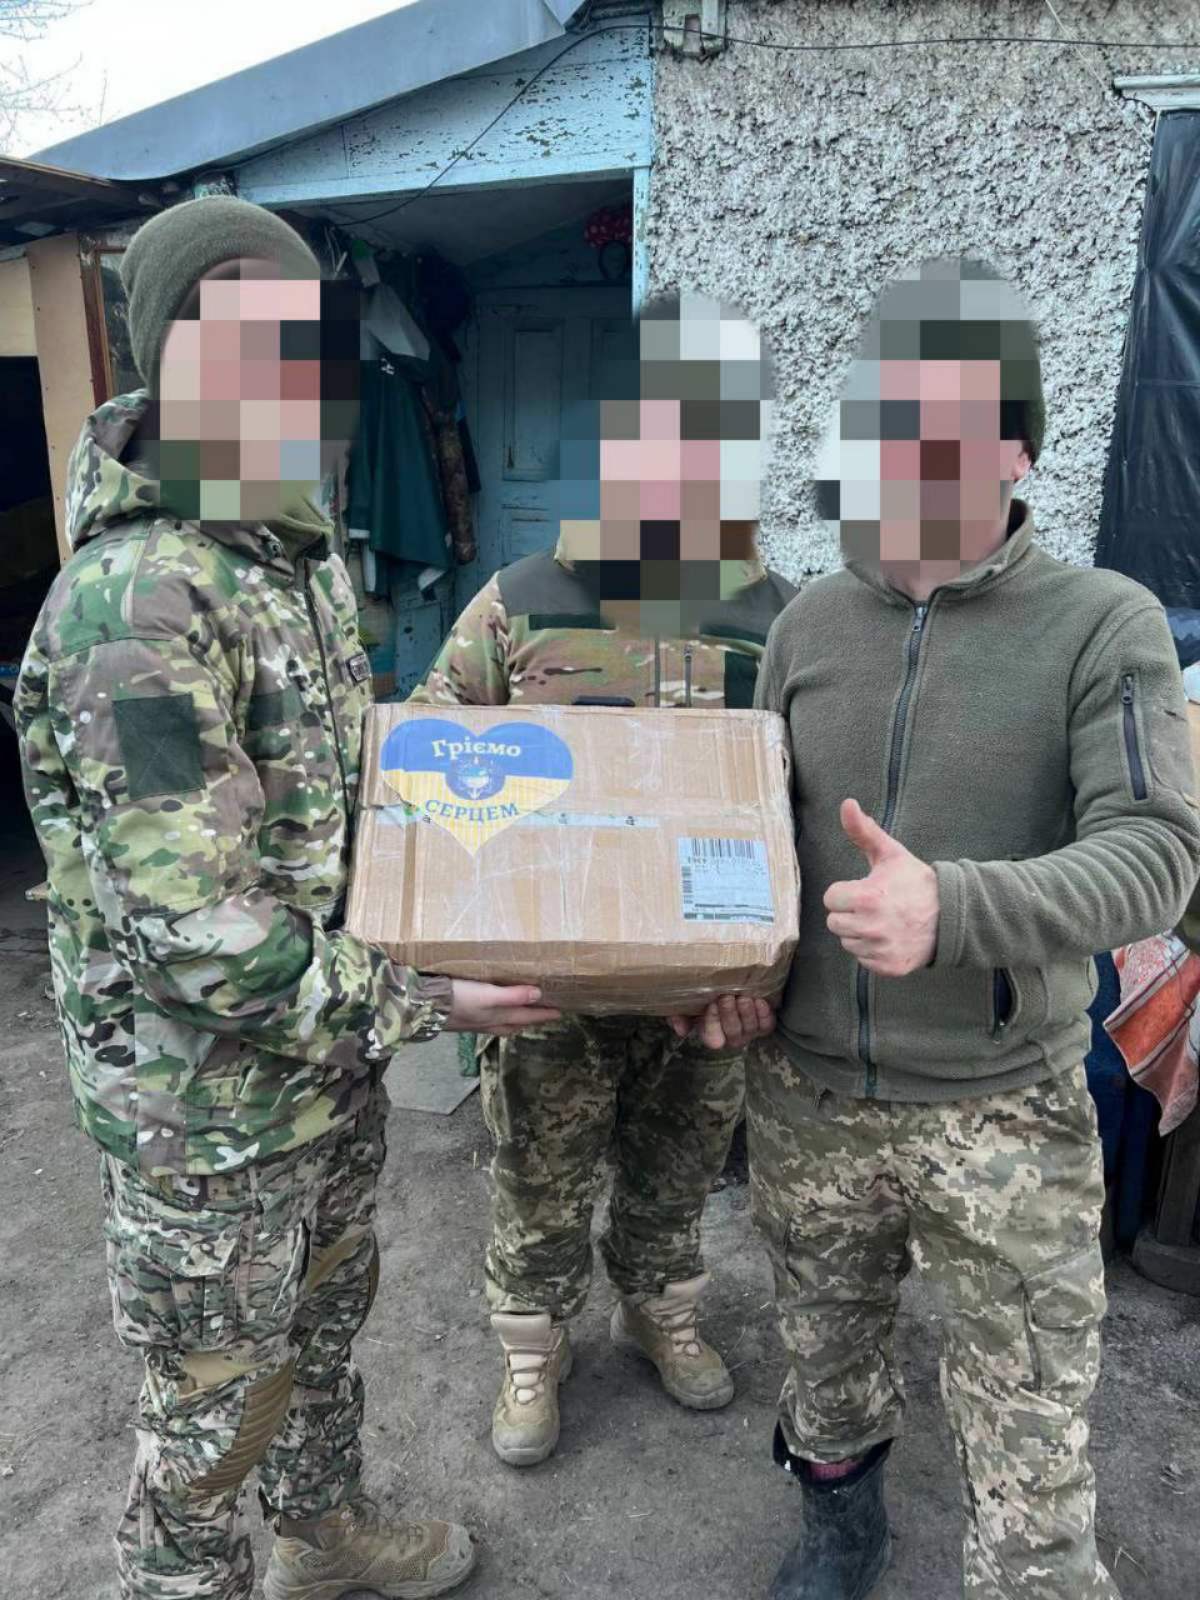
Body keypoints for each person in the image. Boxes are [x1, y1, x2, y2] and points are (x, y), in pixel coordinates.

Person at [15, 195, 558, 1600]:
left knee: (319, 1342)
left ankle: (322, 1538)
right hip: (206, 1121)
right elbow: (195, 931)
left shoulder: (289, 558)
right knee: (213, 1417)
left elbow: (340, 800)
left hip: (319, 1080)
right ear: (178, 362)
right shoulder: (137, 609)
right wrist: (422, 996)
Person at [749, 256, 1200, 1600]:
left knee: (1030, 1442)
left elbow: (1159, 856)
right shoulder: (807, 623)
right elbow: (749, 844)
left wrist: (957, 907)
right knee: (825, 1357)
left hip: (1003, 1109)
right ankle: (841, 1530)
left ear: (1015, 447)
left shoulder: (1102, 624)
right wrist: (726, 975)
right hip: (810, 1097)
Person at [410, 290, 789, 1466]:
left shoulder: (774, 615)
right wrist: (463, 951)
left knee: (680, 1167)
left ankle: (661, 1308)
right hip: (552, 987)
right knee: (541, 1175)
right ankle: (534, 1348)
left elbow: (802, 807)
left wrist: (773, 971)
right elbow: (426, 765)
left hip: (704, 984)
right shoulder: (522, 600)